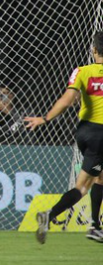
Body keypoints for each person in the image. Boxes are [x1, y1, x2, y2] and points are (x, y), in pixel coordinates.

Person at [24, 31, 103, 244]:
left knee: (99, 177)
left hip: (84, 132)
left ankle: (95, 225)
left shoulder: (81, 72)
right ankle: (49, 216)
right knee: (83, 186)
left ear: (94, 50)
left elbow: (68, 99)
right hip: (101, 135)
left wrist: (45, 118)